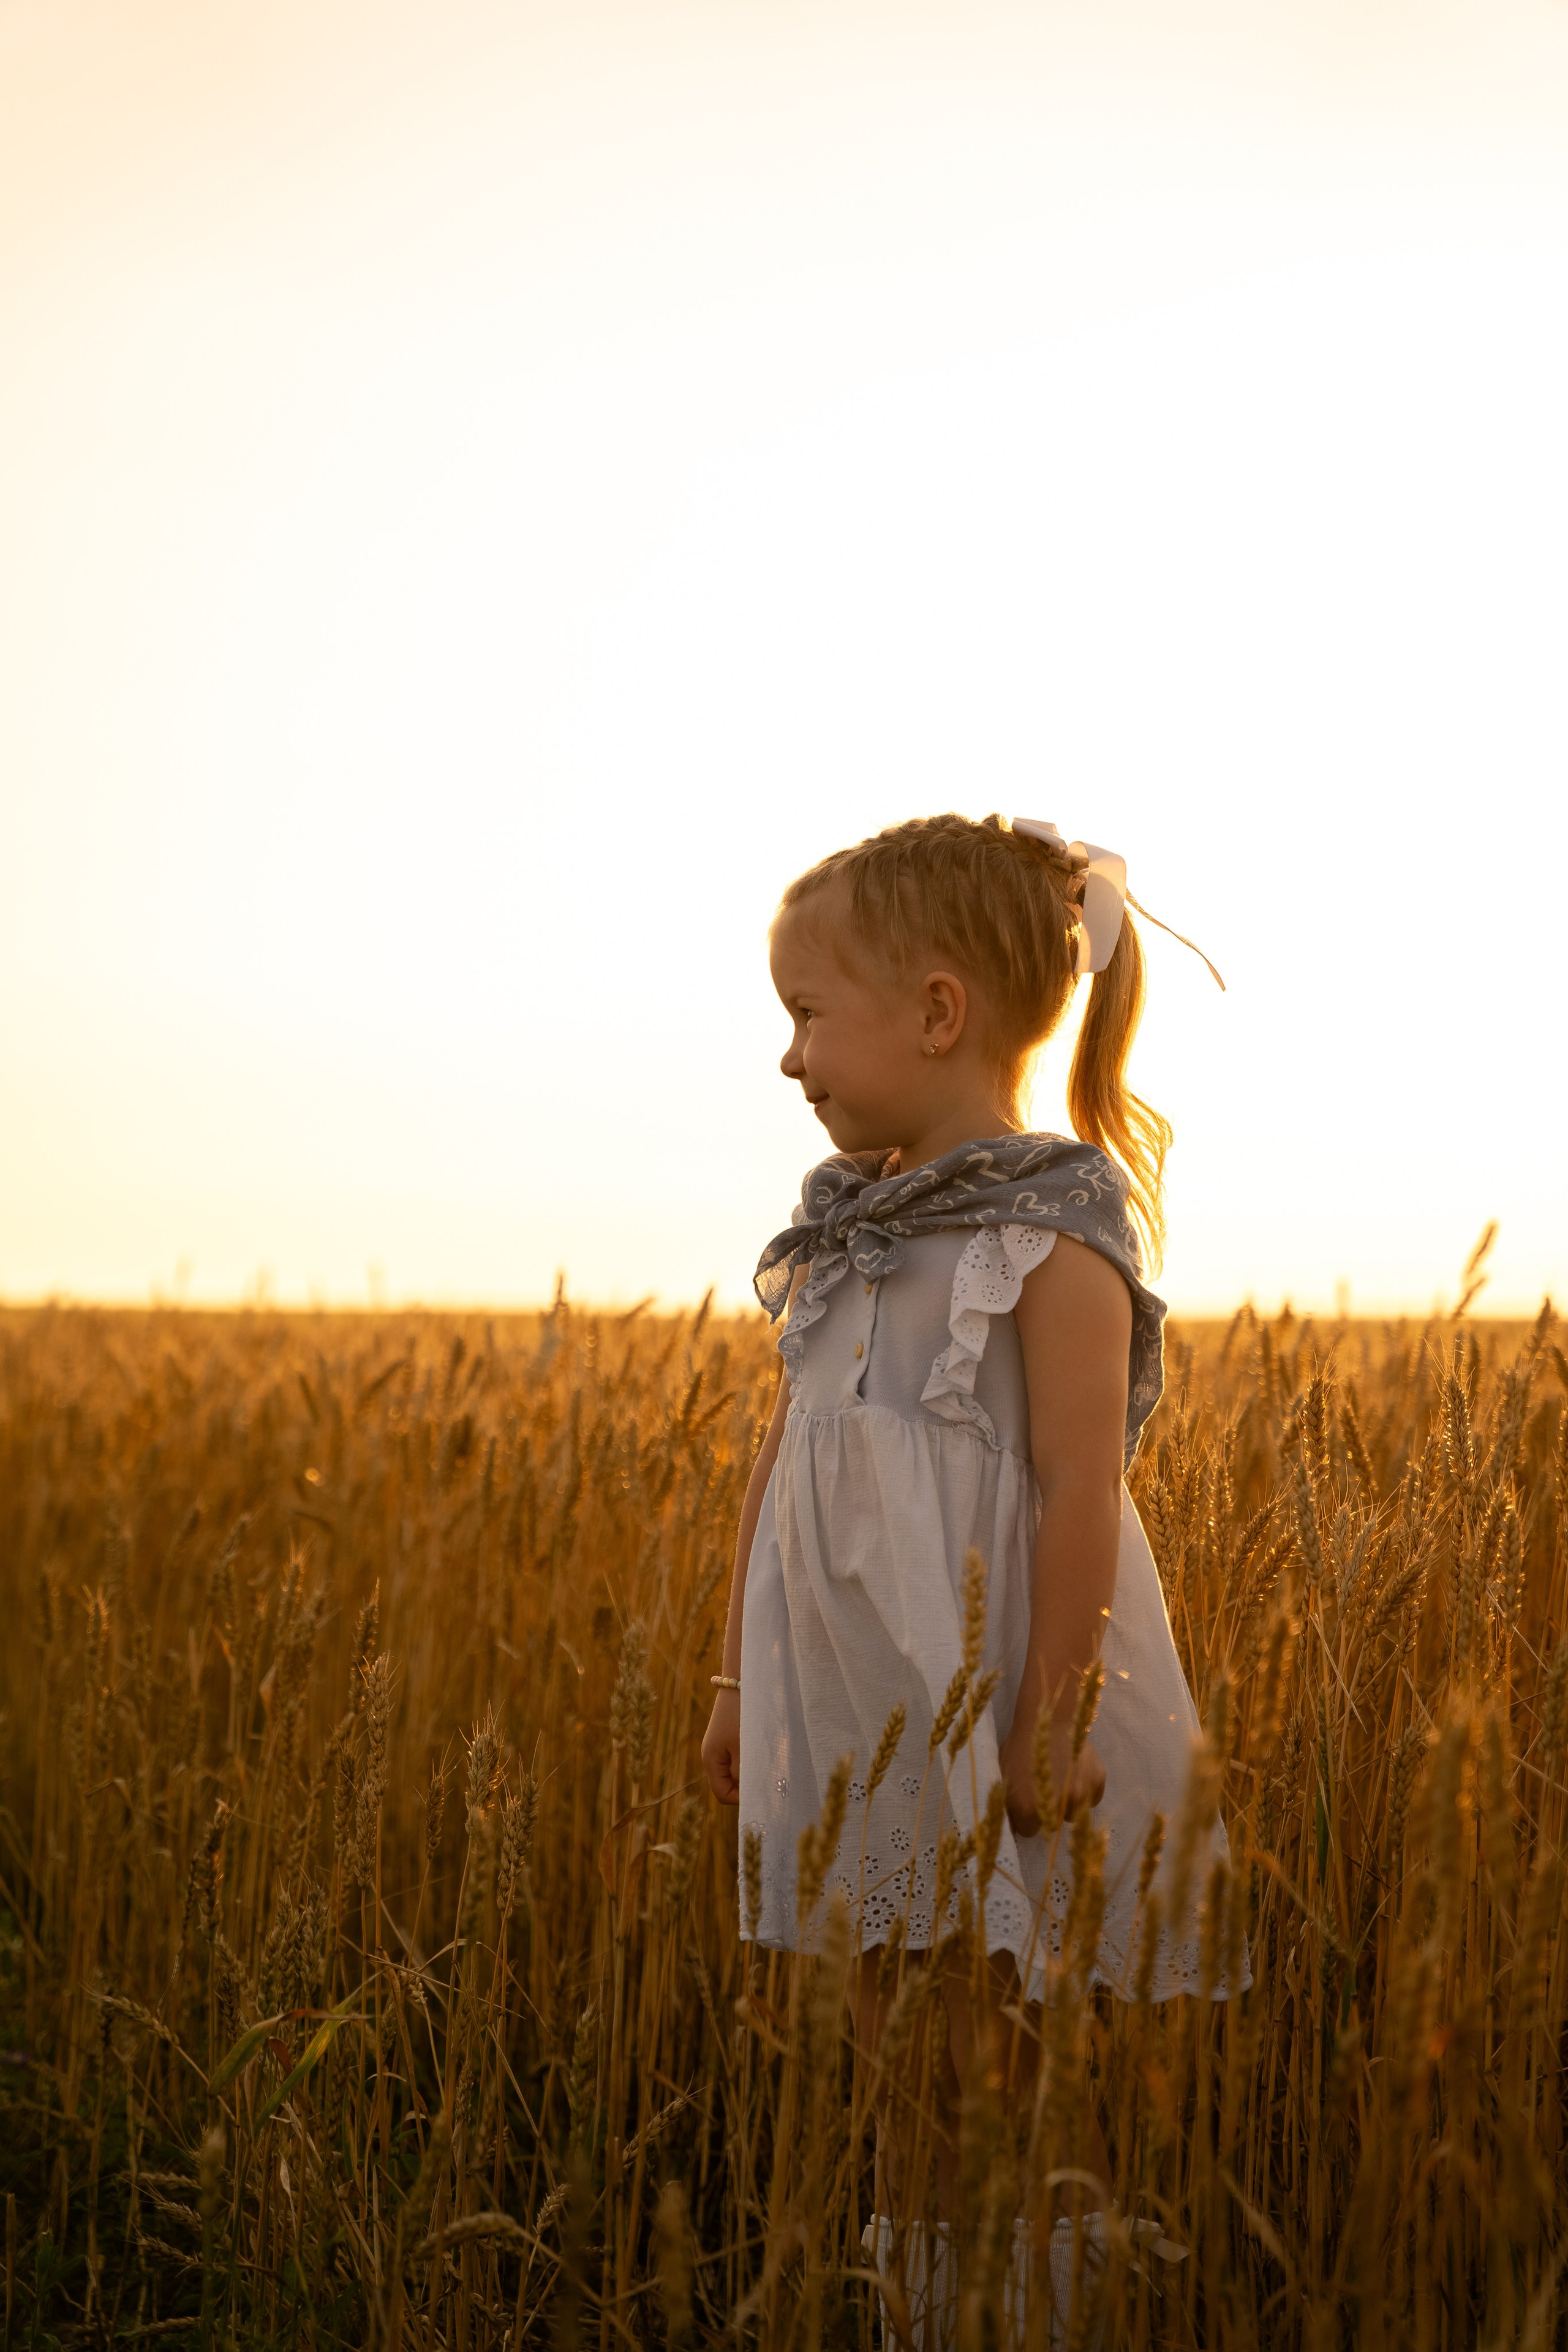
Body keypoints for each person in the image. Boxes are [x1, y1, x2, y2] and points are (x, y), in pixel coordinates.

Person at [700, 813, 1246, 2345]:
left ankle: (1040, 2312)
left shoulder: (1048, 1235)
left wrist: (1049, 1719)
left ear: (937, 1012)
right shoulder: (842, 1236)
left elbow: (1080, 1488)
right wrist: (738, 1682)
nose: (790, 1059)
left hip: (992, 1705)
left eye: (809, 1015)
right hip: (855, 1699)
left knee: (996, 2049)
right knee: (893, 2047)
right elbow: (783, 1461)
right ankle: (931, 2312)